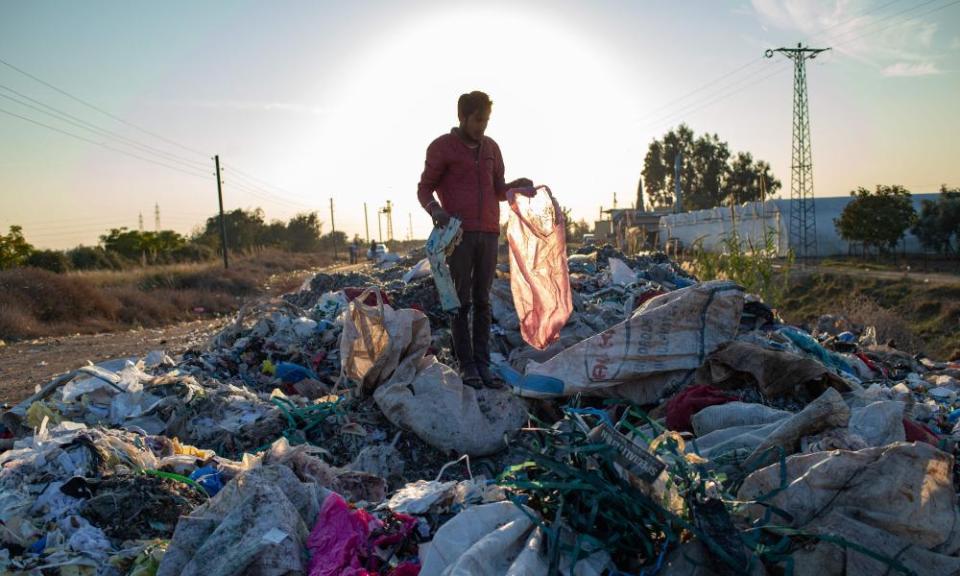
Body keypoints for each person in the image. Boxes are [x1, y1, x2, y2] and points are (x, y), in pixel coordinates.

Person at [417, 91, 534, 388]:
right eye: (478, 119)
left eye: (486, 120)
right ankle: (466, 364)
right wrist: (436, 211)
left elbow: (497, 190)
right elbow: (424, 189)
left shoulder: (492, 148)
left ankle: (483, 364)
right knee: (461, 301)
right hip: (458, 235)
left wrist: (515, 186)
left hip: (489, 233)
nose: (483, 126)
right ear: (463, 117)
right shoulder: (442, 148)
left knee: (483, 301)